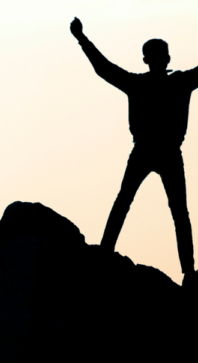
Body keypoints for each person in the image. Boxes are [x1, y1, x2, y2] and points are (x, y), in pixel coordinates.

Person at [71, 17, 198, 284]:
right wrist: (82, 39)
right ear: (166, 58)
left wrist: (82, 39)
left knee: (125, 202)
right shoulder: (179, 82)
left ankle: (106, 252)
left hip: (148, 151)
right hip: (163, 152)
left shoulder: (140, 83)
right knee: (177, 212)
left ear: (146, 60)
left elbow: (104, 69)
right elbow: (104, 69)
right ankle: (189, 272)